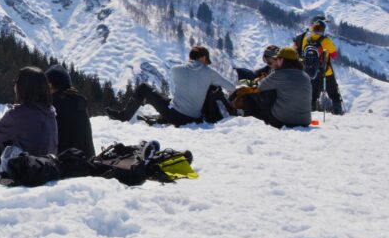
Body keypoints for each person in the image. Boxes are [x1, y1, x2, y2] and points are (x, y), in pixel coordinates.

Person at [107, 45, 236, 126]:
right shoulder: (210, 73)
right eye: (207, 61)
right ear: (202, 58)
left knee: (143, 88)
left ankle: (124, 117)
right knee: (172, 101)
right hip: (194, 118)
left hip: (175, 115)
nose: (207, 64)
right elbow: (231, 87)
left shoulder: (176, 69)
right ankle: (161, 119)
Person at [241, 47, 313, 128]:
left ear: (282, 60)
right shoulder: (305, 76)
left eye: (278, 58)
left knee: (254, 95)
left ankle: (245, 119)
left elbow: (260, 87)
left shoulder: (279, 74)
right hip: (305, 121)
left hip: (282, 121)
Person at [296, 18, 343, 115]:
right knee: (334, 95)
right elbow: (334, 55)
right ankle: (338, 114)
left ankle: (310, 116)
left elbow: (302, 53)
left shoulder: (306, 39)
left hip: (311, 72)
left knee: (312, 96)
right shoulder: (326, 40)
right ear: (323, 30)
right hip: (326, 72)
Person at [45, 66, 95, 158]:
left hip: (66, 167)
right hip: (89, 163)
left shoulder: (54, 105)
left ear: (50, 85)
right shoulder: (78, 101)